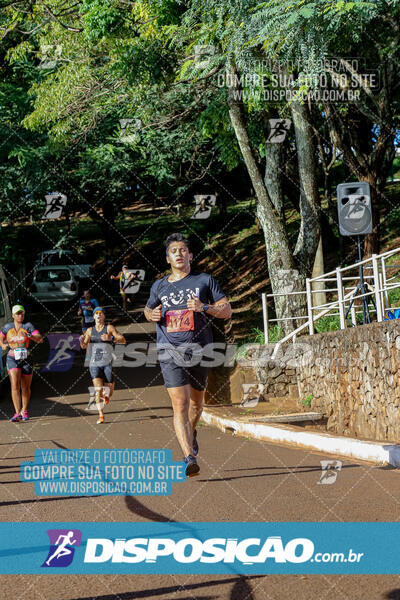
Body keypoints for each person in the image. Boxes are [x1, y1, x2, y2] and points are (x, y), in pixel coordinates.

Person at [144, 233, 232, 477]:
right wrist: (149, 315)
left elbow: (227, 310)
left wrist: (204, 307)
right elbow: (148, 309)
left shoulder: (204, 281)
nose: (179, 254)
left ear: (191, 255)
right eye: (174, 251)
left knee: (196, 405)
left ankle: (191, 434)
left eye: (183, 250)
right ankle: (188, 457)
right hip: (170, 350)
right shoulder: (159, 286)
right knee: (180, 403)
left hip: (200, 350)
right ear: (167, 258)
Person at [80, 307, 126, 424]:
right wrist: (82, 342)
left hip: (107, 363)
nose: (99, 315)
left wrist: (111, 338)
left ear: (104, 316)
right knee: (98, 390)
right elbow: (84, 346)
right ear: (94, 316)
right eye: (96, 313)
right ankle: (101, 415)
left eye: (100, 313)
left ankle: (107, 396)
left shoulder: (109, 328)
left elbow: (122, 340)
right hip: (94, 363)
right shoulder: (90, 330)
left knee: (109, 391)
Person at [0, 305, 43, 422]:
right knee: (14, 385)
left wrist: (29, 335)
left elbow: (40, 338)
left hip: (26, 359)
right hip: (12, 359)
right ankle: (17, 413)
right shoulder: (7, 327)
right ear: (13, 315)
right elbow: (1, 337)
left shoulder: (28, 326)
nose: (20, 315)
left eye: (22, 313)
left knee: (25, 387)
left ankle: (24, 410)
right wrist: (3, 345)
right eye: (18, 313)